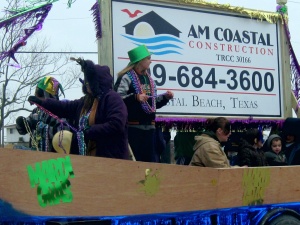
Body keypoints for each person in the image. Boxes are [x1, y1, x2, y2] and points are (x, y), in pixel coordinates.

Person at [28, 58, 129, 159]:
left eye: (88, 82)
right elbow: (66, 107)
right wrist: (42, 102)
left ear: (96, 83)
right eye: (85, 82)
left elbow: (116, 124)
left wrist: (88, 132)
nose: (86, 85)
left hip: (111, 158)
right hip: (88, 159)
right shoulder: (86, 101)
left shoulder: (112, 98)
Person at [114, 45, 174, 162]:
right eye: (148, 58)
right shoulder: (126, 77)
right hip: (133, 129)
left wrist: (165, 98)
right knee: (135, 164)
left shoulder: (149, 79)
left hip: (150, 129)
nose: (150, 61)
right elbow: (117, 100)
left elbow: (152, 103)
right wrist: (136, 97)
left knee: (149, 167)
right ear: (140, 61)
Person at [15, 76, 69, 152]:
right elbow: (23, 130)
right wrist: (21, 124)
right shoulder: (36, 111)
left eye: (39, 94)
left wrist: (39, 126)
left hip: (54, 159)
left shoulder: (61, 112)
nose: (36, 96)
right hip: (35, 155)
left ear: (48, 95)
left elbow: (62, 134)